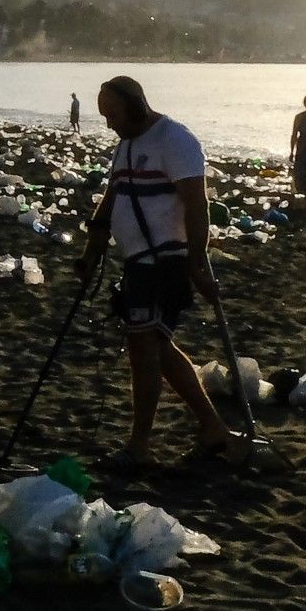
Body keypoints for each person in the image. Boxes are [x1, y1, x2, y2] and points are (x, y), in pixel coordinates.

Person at [76, 76, 249, 473]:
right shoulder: (126, 147)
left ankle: (139, 447)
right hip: (138, 263)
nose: (109, 124)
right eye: (104, 116)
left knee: (143, 349)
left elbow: (196, 207)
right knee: (156, 347)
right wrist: (90, 255)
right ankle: (211, 427)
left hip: (165, 262)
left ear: (135, 106)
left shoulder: (176, 141)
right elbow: (112, 199)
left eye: (113, 114)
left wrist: (196, 264)